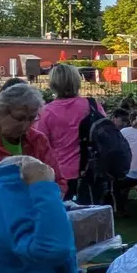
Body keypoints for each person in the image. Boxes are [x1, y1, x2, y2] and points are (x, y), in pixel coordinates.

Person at [30, 62, 106, 200]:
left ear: (53, 84)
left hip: (60, 173)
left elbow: (40, 145)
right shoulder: (92, 106)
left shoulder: (46, 112)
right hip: (91, 170)